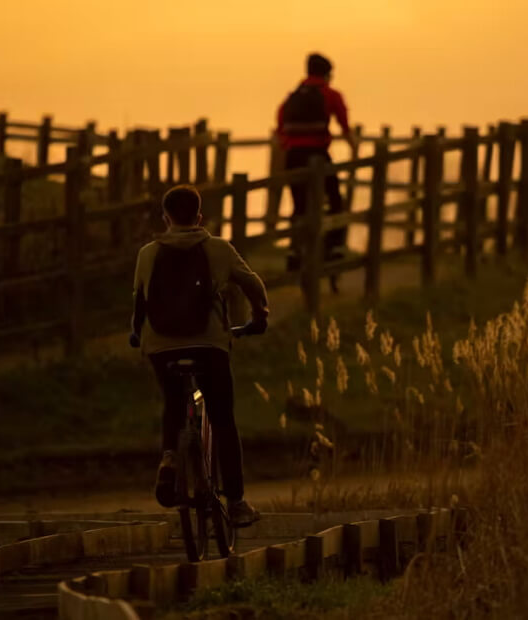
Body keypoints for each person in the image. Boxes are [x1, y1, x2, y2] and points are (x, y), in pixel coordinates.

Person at [130, 185, 268, 527]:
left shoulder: (147, 253)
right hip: (209, 345)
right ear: (199, 216)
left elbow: (139, 303)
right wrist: (259, 318)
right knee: (222, 418)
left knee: (174, 402)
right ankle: (236, 503)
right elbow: (253, 285)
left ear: (165, 218)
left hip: (161, 346)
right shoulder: (218, 249)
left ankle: (168, 458)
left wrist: (137, 334)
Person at [277, 52, 356, 278]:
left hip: (294, 156)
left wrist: (287, 144)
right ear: (327, 74)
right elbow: (344, 123)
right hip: (318, 156)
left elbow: (280, 123)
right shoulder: (331, 95)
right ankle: (335, 247)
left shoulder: (293, 96)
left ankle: (294, 252)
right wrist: (353, 146)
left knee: (299, 205)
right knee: (335, 199)